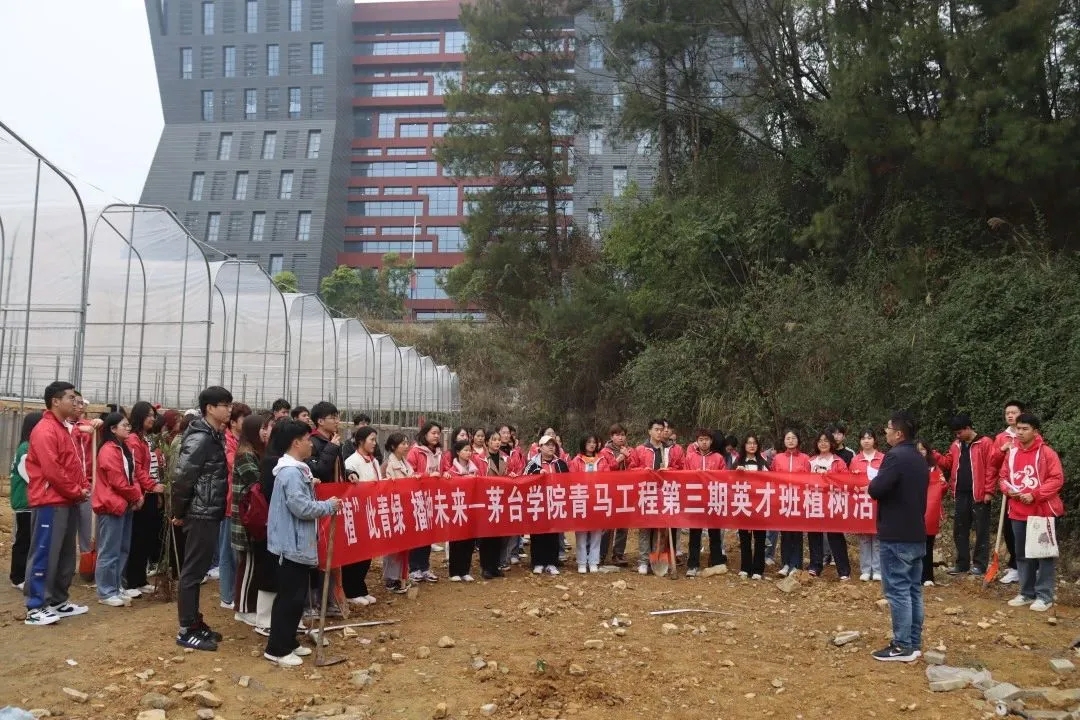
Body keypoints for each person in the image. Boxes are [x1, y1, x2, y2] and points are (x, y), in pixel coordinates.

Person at [264, 420, 342, 667]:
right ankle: (277, 648)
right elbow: (300, 507)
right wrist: (328, 506)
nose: (311, 444)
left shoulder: (297, 471)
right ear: (296, 443)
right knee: (289, 598)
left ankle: (289, 641)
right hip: (290, 546)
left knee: (296, 597)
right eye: (308, 440)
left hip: (296, 544)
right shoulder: (290, 473)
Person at [24, 382, 91, 626]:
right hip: (50, 501)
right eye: (71, 398)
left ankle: (57, 600)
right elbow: (53, 471)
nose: (76, 403)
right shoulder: (45, 430)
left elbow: (74, 465)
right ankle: (35, 607)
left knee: (64, 554)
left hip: (67, 499)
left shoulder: (64, 429)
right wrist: (76, 490)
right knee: (45, 552)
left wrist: (81, 487)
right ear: (55, 401)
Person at [172, 386, 232, 651]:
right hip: (200, 511)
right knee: (193, 572)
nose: (229, 410)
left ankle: (195, 622)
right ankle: (186, 629)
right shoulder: (200, 437)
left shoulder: (213, 435)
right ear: (209, 408)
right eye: (224, 405)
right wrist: (179, 512)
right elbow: (182, 478)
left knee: (198, 569)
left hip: (209, 510)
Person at [867, 410, 928, 662]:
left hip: (896, 534)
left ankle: (902, 645)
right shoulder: (918, 457)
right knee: (913, 590)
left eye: (888, 429)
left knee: (898, 590)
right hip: (916, 533)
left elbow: (877, 488)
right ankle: (913, 642)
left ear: (899, 433)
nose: (886, 433)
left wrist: (873, 482)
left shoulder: (895, 457)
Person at [1000, 413, 1063, 612]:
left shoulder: (1047, 453)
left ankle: (1045, 596)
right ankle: (1026, 593)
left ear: (1035, 431)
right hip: (1017, 511)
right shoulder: (1011, 453)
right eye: (1018, 428)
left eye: (1025, 429)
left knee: (1043, 555)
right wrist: (1007, 490)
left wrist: (1035, 494)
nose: (1020, 432)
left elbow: (1057, 479)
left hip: (1042, 511)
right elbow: (1003, 477)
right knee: (1022, 554)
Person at [93, 413, 144, 607]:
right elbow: (118, 481)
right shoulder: (108, 450)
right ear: (113, 429)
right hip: (111, 505)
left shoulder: (123, 448)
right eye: (124, 425)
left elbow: (133, 475)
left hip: (124, 504)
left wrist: (136, 494)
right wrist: (136, 495)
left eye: (129, 425)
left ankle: (116, 586)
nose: (128, 428)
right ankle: (106, 591)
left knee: (122, 548)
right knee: (109, 550)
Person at [940, 415, 1000, 577]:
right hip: (960, 492)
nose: (957, 436)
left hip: (979, 493)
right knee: (959, 529)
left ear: (968, 428)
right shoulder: (956, 445)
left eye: (959, 432)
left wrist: (989, 491)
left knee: (981, 530)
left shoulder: (985, 443)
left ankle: (980, 564)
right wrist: (934, 456)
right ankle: (962, 563)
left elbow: (991, 468)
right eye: (955, 433)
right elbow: (948, 463)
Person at [628, 419, 684, 574]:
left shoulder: (669, 450)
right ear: (649, 431)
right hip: (646, 492)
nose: (660, 432)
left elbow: (680, 469)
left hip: (664, 493)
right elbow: (631, 469)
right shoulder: (640, 450)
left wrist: (669, 470)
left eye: (661, 429)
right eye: (656, 429)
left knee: (661, 529)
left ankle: (656, 559)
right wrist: (643, 471)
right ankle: (643, 561)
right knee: (645, 527)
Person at [123, 402, 164, 597]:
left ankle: (140, 579)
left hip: (149, 494)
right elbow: (137, 469)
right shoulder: (133, 439)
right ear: (139, 416)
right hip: (141, 495)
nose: (152, 419)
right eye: (149, 415)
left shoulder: (143, 439)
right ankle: (131, 581)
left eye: (153, 415)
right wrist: (151, 486)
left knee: (146, 538)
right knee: (138, 538)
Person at [231, 414, 267, 625]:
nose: (265, 432)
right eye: (262, 428)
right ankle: (242, 608)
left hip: (252, 518)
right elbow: (256, 481)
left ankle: (248, 605)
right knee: (248, 565)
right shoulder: (245, 455)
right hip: (246, 519)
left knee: (252, 564)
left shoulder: (255, 452)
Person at [342, 426, 381, 604]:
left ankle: (360, 587)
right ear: (360, 441)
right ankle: (351, 591)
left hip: (371, 511)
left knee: (367, 552)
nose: (374, 443)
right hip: (357, 513)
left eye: (375, 440)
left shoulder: (374, 461)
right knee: (355, 552)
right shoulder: (352, 462)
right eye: (371, 439)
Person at [807, 432, 852, 580]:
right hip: (814, 501)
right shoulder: (811, 461)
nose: (823, 443)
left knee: (835, 535)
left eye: (826, 440)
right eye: (820, 441)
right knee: (814, 534)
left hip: (833, 502)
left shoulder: (838, 461)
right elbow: (803, 480)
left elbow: (845, 482)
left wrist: (829, 477)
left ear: (831, 443)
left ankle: (843, 570)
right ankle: (815, 566)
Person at [684, 429, 726, 577]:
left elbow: (724, 478)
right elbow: (684, 477)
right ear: (697, 441)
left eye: (707, 439)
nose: (704, 442)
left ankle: (716, 562)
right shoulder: (690, 457)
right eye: (701, 439)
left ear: (711, 441)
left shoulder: (718, 458)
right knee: (695, 533)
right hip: (695, 499)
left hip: (713, 499)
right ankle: (693, 564)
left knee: (714, 533)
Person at [525, 434, 568, 575]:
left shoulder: (560, 464)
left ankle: (551, 562)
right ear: (540, 447)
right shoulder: (532, 464)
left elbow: (568, 482)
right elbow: (524, 479)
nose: (551, 447)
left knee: (553, 533)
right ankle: (538, 562)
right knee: (537, 533)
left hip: (555, 501)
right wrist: (538, 473)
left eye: (553, 445)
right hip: (537, 502)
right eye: (547, 445)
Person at [8, 412, 41, 591]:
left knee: (27, 539)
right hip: (26, 502)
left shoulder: (27, 446)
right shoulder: (26, 448)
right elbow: (31, 476)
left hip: (29, 502)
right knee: (23, 540)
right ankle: (17, 576)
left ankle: (23, 574)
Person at [406, 422, 443, 583]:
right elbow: (410, 474)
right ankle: (414, 568)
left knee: (428, 534)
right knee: (417, 533)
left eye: (438, 433)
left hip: (432, 498)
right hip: (417, 498)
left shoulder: (439, 452)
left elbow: (443, 471)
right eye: (433, 433)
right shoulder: (415, 451)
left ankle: (425, 567)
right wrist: (428, 476)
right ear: (425, 433)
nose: (436, 436)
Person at [993, 400, 1025, 585]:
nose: (1010, 415)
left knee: (1025, 529)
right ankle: (1014, 565)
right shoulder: (1001, 437)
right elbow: (993, 462)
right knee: (1009, 528)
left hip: (1026, 488)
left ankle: (1028, 566)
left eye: (1014, 412)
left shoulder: (1029, 434)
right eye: (1007, 413)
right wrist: (1002, 450)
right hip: (1008, 488)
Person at [569, 435, 610, 573]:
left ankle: (593, 561)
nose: (592, 445)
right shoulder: (576, 460)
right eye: (589, 442)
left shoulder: (602, 460)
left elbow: (608, 478)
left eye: (594, 442)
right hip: (581, 498)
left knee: (596, 533)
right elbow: (571, 479)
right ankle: (581, 562)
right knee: (581, 532)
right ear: (583, 443)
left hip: (597, 499)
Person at [771, 429, 810, 577]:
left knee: (797, 533)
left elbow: (810, 478)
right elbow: (772, 477)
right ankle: (785, 564)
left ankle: (796, 565)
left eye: (793, 438)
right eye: (788, 438)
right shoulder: (778, 458)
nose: (791, 440)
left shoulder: (805, 458)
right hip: (783, 499)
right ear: (784, 441)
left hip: (799, 499)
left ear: (798, 440)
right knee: (785, 533)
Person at [849, 429, 885, 582]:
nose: (866, 441)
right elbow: (850, 481)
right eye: (863, 438)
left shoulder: (883, 458)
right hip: (861, 502)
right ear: (860, 441)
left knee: (877, 536)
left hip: (878, 501)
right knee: (863, 536)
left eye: (869, 438)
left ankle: (877, 569)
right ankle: (865, 569)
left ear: (874, 440)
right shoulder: (855, 460)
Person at [382, 432, 415, 593]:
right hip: (393, 508)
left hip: (406, 507)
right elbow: (384, 487)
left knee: (404, 543)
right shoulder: (388, 464)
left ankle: (402, 575)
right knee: (393, 545)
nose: (406, 446)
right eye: (402, 443)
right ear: (393, 446)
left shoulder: (405, 462)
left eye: (407, 443)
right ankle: (391, 578)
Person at [732, 434, 769, 580]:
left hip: (760, 504)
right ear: (744, 445)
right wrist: (737, 473)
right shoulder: (738, 461)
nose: (752, 446)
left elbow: (771, 480)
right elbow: (729, 481)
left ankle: (758, 569)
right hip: (744, 503)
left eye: (754, 443)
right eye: (749, 443)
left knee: (760, 538)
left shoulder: (763, 462)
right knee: (744, 538)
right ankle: (745, 567)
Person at [444, 439, 480, 581]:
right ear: (458, 452)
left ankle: (465, 570)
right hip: (457, 509)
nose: (468, 453)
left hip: (471, 509)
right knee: (456, 540)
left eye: (470, 450)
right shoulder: (451, 472)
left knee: (469, 540)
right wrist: (446, 478)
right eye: (465, 450)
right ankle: (454, 572)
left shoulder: (475, 470)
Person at [598, 423, 633, 566]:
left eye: (623, 435)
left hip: (625, 491)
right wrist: (619, 459)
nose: (620, 438)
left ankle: (618, 554)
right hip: (609, 491)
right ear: (611, 437)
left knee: (623, 524)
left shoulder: (630, 450)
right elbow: (604, 469)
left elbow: (634, 467)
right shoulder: (604, 452)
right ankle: (602, 554)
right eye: (617, 435)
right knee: (607, 524)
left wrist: (628, 457)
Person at [916, 439, 947, 587]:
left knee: (928, 543)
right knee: (914, 544)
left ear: (927, 451)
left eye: (923, 449)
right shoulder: (910, 466)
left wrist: (942, 484)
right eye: (917, 450)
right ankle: (915, 575)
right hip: (913, 510)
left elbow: (943, 487)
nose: (920, 452)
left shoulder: (934, 468)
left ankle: (927, 576)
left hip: (930, 510)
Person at [479, 430, 510, 578]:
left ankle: (496, 566)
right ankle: (486, 567)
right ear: (487, 442)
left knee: (498, 534)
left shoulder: (505, 458)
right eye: (494, 440)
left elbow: (508, 474)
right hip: (486, 500)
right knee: (487, 535)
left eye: (499, 440)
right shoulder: (481, 459)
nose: (497, 442)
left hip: (501, 499)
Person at [307, 402, 344, 482]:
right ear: (320, 421)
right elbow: (317, 472)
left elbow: (335, 469)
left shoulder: (334, 440)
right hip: (322, 489)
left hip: (336, 488)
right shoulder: (310, 443)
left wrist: (348, 473)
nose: (337, 421)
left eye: (337, 417)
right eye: (333, 418)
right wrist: (331, 448)